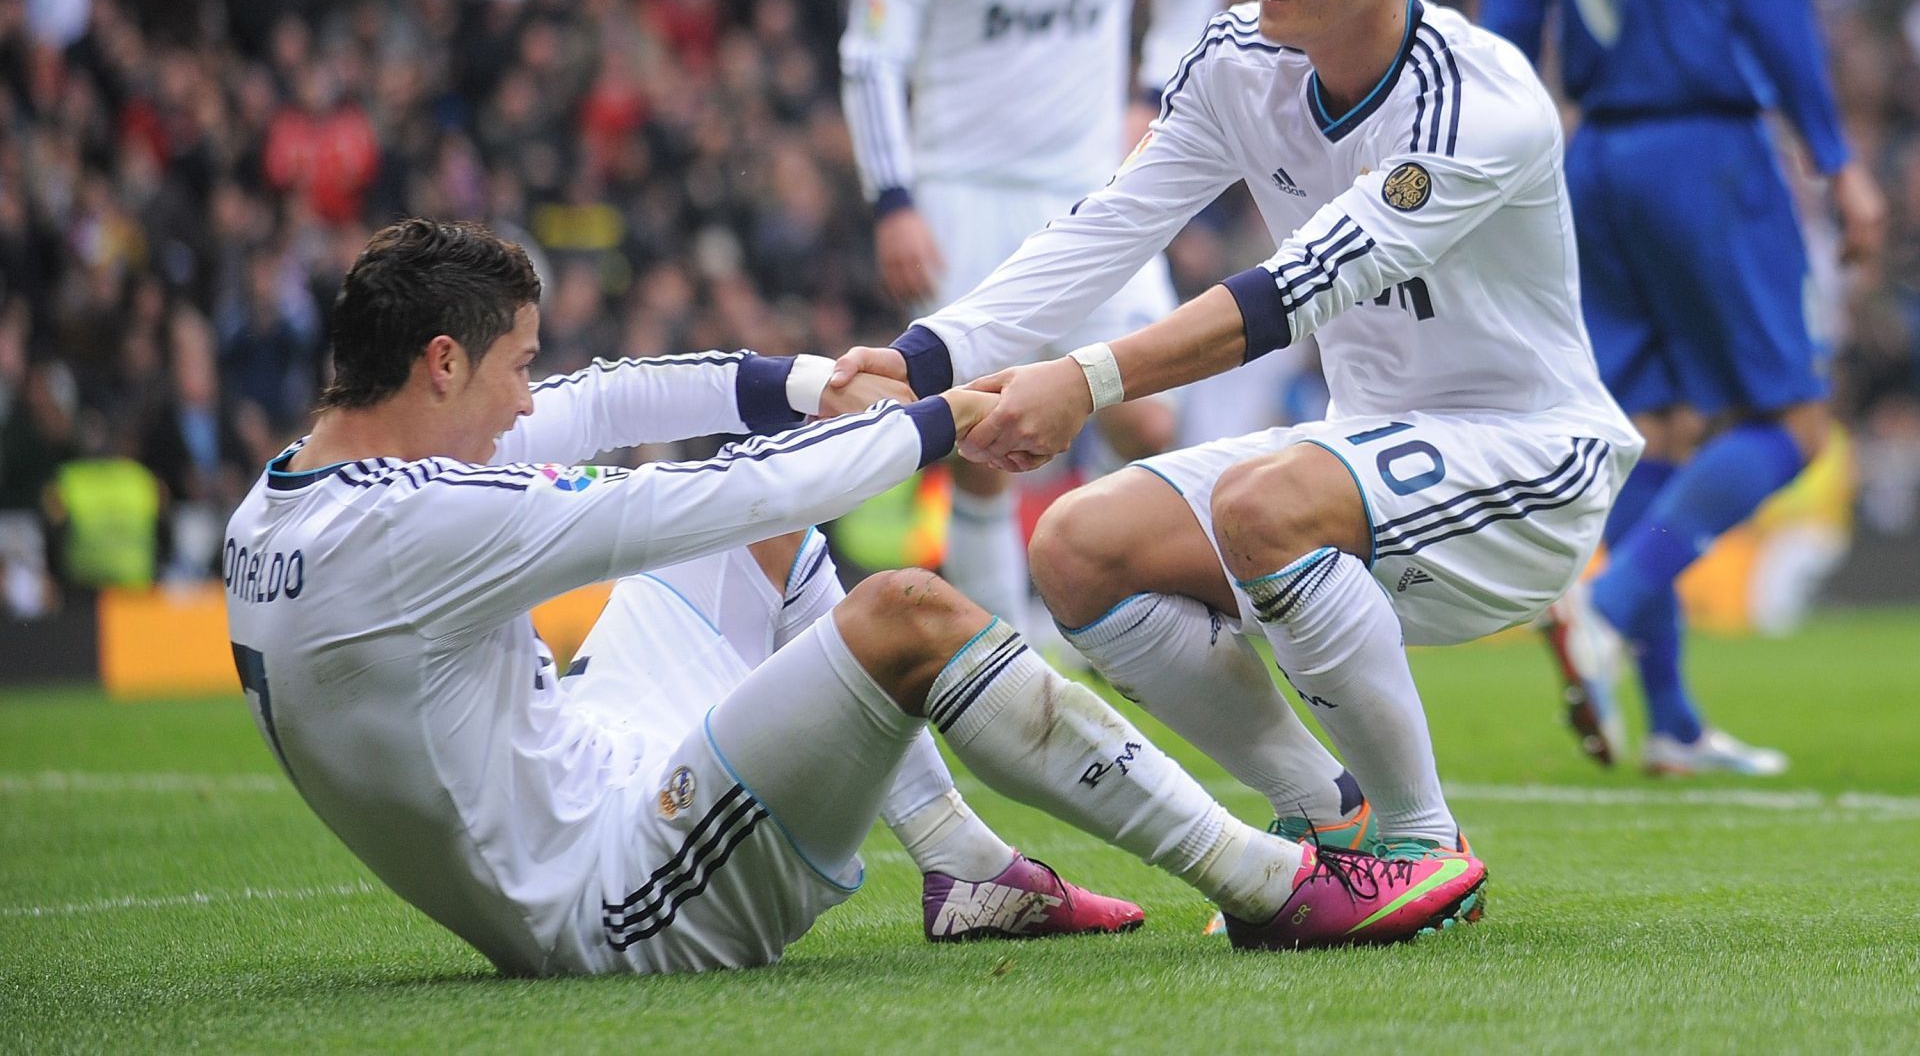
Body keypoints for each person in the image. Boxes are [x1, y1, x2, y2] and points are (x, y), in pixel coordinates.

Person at [221, 217, 1484, 977]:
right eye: (513, 369)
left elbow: (606, 400)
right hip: (607, 900)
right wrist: (945, 418)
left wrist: (828, 386)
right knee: (904, 614)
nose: (528, 399)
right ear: (441, 363)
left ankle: (962, 868)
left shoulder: (285, 504)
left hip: (584, 762)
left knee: (763, 520)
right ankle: (1277, 885)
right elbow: (679, 508)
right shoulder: (419, 524)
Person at [830, 0, 1643, 871]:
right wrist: (927, 356)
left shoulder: (1479, 103)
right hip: (1365, 454)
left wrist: (1086, 380)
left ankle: (1418, 842)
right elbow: (1106, 228)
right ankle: (1329, 813)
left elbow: (1293, 290)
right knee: (1076, 548)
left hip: (1532, 461)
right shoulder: (1238, 59)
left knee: (1266, 504)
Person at [1478, 0, 1885, 775]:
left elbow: (1507, 22)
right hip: (1703, 143)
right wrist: (1838, 157)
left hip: (1590, 152)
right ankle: (1605, 608)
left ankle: (1675, 727)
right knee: (1794, 421)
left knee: (1658, 431)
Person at [839, 0, 1223, 631]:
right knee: (981, 441)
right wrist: (893, 197)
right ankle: (1008, 668)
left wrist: (1152, 91)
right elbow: (871, 56)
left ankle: (1135, 625)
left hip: (1091, 198)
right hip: (963, 196)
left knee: (1149, 418)